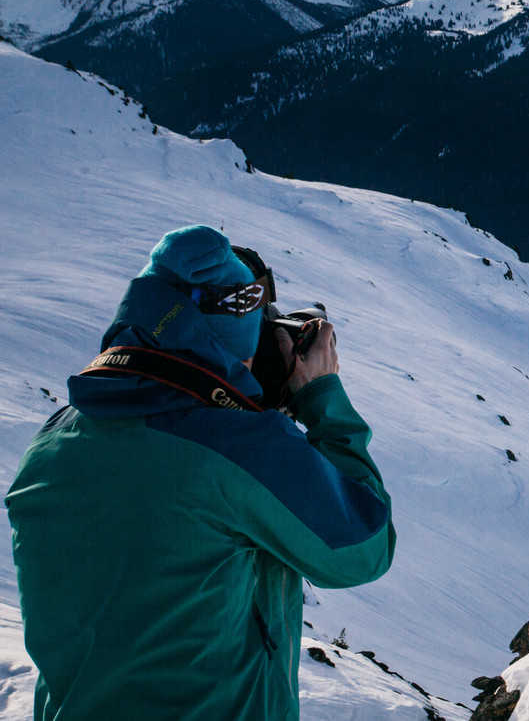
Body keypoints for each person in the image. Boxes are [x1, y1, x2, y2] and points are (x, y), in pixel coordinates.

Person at [6, 225, 395, 720]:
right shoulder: (237, 448)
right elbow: (365, 549)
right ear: (228, 343)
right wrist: (322, 398)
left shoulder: (51, 443)